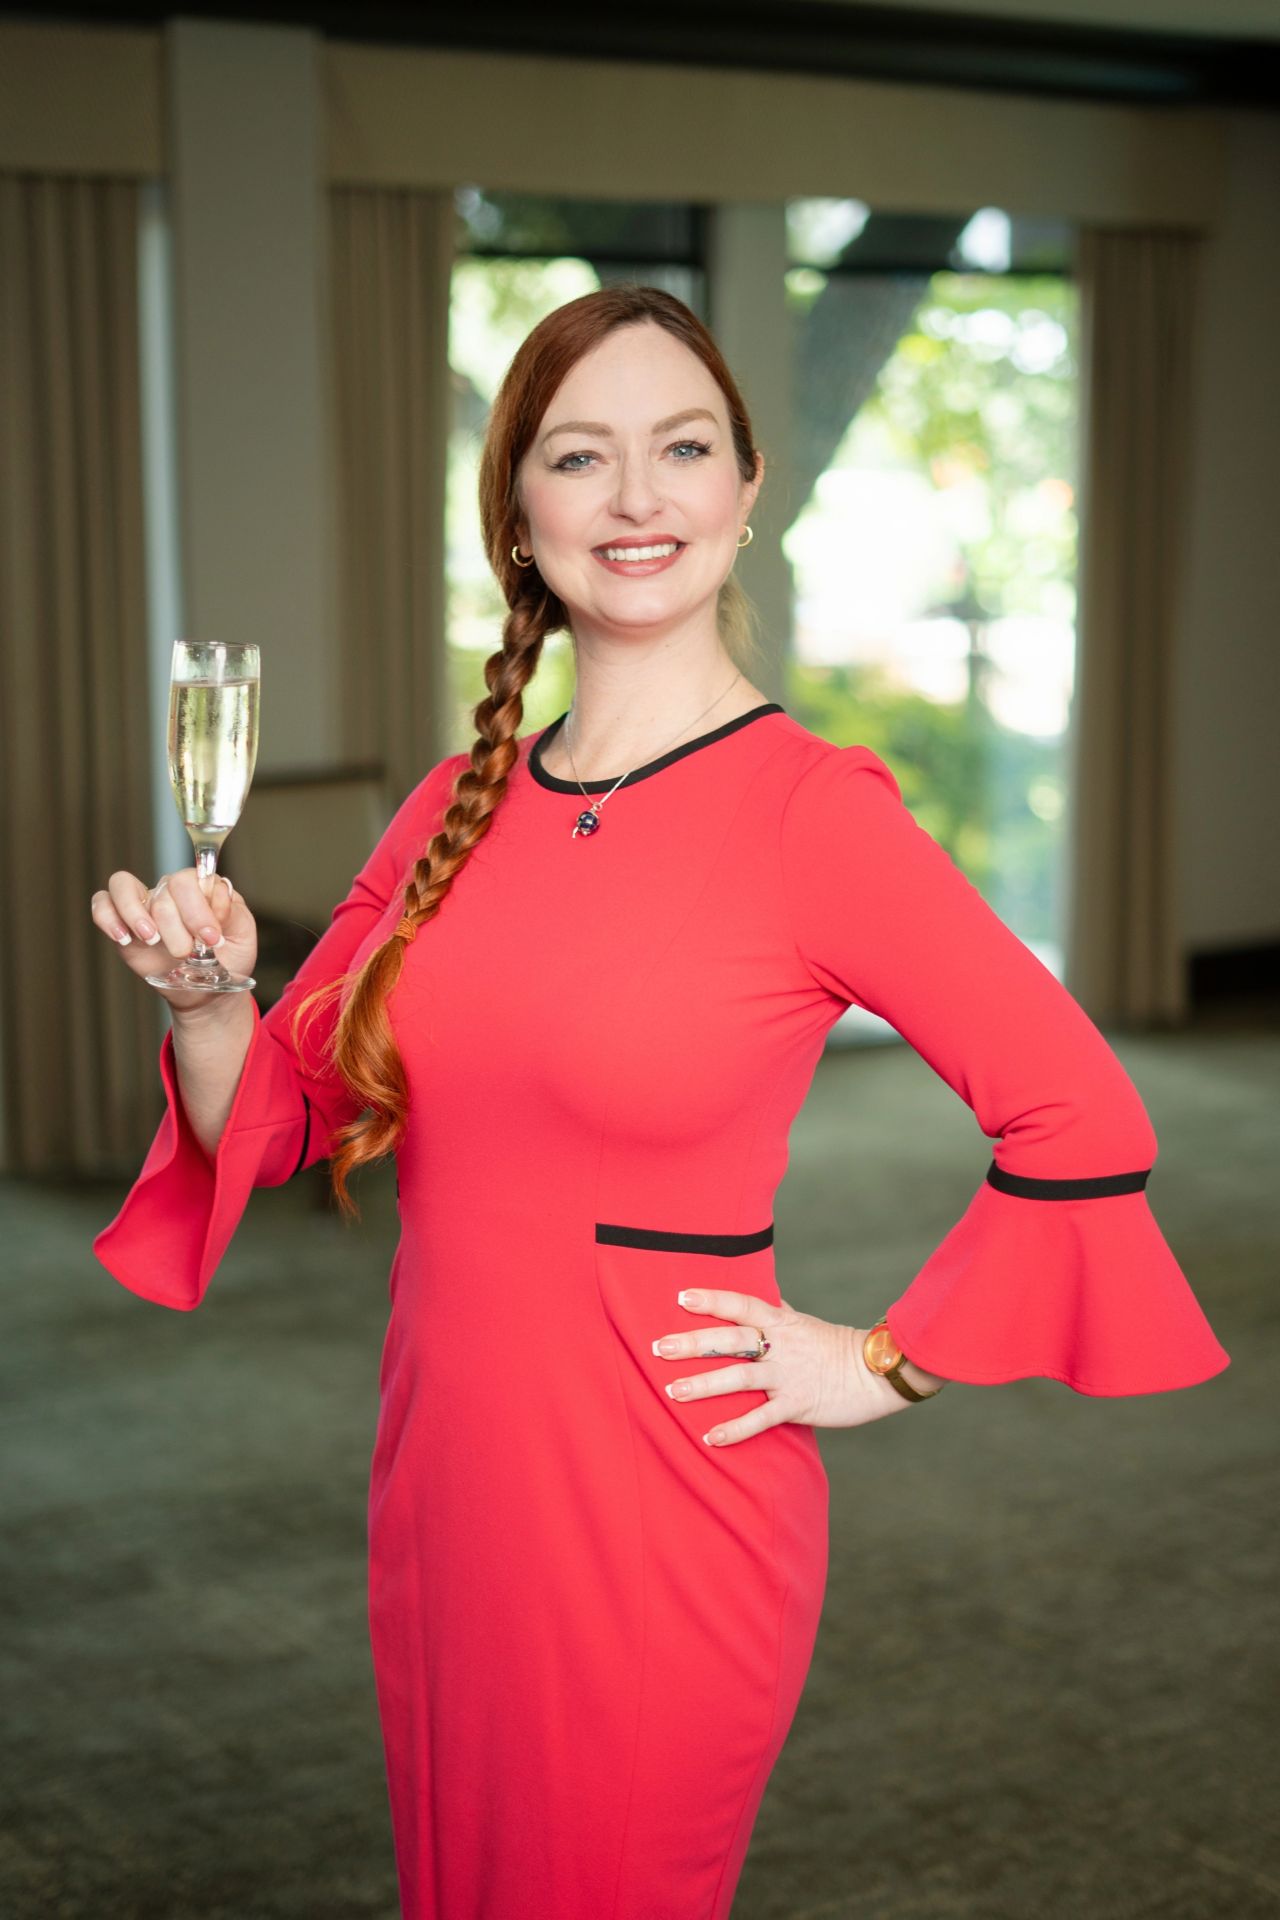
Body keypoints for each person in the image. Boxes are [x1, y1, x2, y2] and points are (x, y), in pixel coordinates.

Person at [91, 285, 1231, 1920]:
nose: (637, 498)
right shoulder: (451, 809)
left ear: (748, 488)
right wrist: (212, 999)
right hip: (446, 1480)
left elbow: (1084, 1118)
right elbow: (264, 1120)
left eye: (683, 447)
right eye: (580, 456)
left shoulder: (810, 814)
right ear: (521, 514)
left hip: (659, 1500)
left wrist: (886, 1363)